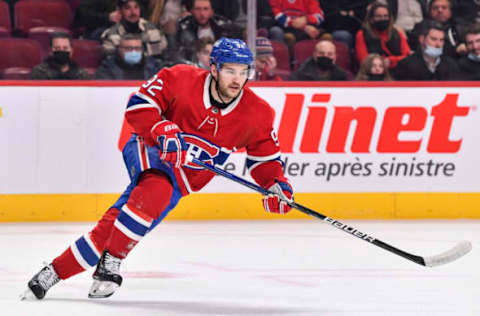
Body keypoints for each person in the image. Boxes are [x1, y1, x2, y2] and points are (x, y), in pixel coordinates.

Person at [22, 37, 294, 300]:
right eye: (230, 71)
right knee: (156, 190)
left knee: (113, 229)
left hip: (184, 180)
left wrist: (274, 185)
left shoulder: (258, 113)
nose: (237, 79)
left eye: (243, 72)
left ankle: (50, 274)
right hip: (148, 147)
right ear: (213, 69)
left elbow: (266, 160)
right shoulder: (180, 78)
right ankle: (111, 263)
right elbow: (138, 104)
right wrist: (160, 127)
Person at [392, 21, 460, 80]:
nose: (438, 44)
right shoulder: (405, 65)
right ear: (422, 39)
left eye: (441, 40)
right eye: (433, 39)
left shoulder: (451, 65)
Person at [101, 0, 168, 58]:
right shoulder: (111, 35)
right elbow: (111, 63)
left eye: (136, 7)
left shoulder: (154, 31)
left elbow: (162, 57)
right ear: (120, 11)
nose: (133, 12)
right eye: (128, 8)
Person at [355, 2, 411, 70]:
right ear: (371, 19)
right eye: (379, 16)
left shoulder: (397, 34)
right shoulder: (361, 35)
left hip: (397, 72)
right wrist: (382, 63)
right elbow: (364, 61)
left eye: (385, 16)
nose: (383, 19)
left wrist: (390, 60)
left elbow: (407, 57)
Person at [95, 34, 163, 80]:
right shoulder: (107, 67)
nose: (134, 52)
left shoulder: (153, 66)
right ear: (119, 49)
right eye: (129, 48)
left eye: (137, 48)